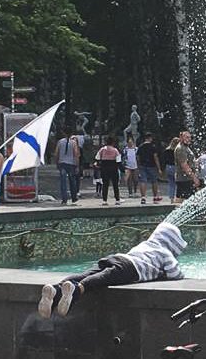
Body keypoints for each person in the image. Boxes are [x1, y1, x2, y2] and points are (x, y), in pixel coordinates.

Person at [37, 222, 187, 318]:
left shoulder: (145, 244)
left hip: (116, 257)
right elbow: (175, 274)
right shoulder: (165, 253)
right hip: (131, 268)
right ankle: (77, 290)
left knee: (88, 273)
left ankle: (56, 290)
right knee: (104, 278)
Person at [55, 130, 81, 205]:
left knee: (63, 182)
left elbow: (56, 153)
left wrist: (57, 162)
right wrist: (77, 166)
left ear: (64, 133)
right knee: (72, 181)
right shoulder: (73, 143)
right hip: (71, 163)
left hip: (62, 163)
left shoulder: (60, 142)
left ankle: (64, 199)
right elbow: (76, 154)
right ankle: (74, 198)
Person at [174, 130, 200, 203]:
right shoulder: (181, 149)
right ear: (181, 137)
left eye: (190, 137)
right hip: (184, 179)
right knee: (183, 200)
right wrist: (194, 178)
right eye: (187, 137)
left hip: (187, 178)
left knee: (184, 199)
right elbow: (184, 165)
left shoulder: (186, 148)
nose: (189, 139)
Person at [137, 132, 162, 205]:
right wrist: (159, 168)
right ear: (150, 138)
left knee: (143, 181)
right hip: (152, 166)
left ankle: (143, 197)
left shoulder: (140, 146)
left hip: (142, 165)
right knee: (154, 181)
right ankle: (155, 197)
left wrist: (139, 166)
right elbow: (155, 157)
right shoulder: (152, 146)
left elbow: (138, 157)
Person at [96, 137, 122, 205]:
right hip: (113, 168)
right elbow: (119, 161)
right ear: (113, 142)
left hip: (104, 168)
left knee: (105, 184)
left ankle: (104, 200)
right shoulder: (115, 150)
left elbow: (97, 158)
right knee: (115, 185)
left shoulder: (102, 149)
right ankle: (117, 200)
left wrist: (99, 164)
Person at [161, 136, 178, 202]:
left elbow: (164, 160)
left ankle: (171, 198)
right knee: (177, 183)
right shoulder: (177, 151)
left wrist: (163, 169)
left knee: (171, 183)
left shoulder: (167, 150)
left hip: (168, 166)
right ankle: (177, 197)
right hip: (175, 167)